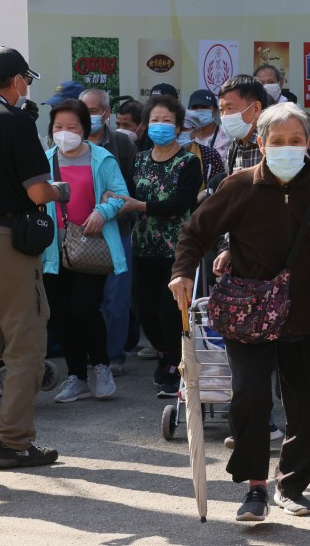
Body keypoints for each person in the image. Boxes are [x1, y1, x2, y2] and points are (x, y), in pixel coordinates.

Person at [170, 102, 310, 520]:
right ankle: (255, 488)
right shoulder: (238, 186)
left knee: (309, 409)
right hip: (248, 317)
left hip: (308, 316)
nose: (287, 147)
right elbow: (194, 234)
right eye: (278, 141)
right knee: (249, 398)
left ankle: (292, 485)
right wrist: (182, 273)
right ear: (261, 143)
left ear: (308, 143)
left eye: (296, 140)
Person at [0, 46, 65, 469]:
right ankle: (12, 441)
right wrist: (61, 191)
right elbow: (38, 192)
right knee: (24, 345)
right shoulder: (14, 121)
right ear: (17, 81)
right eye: (26, 81)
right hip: (7, 241)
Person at [42, 99, 128, 403]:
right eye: (58, 127)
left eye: (72, 127)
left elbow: (121, 195)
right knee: (61, 313)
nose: (64, 133)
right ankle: (76, 376)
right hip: (54, 249)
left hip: (91, 245)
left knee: (85, 307)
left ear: (85, 127)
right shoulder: (46, 159)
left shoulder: (102, 158)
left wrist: (103, 211)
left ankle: (101, 366)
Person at [118, 94, 202, 397]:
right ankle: (166, 354)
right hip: (143, 247)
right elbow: (126, 194)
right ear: (145, 125)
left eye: (167, 121)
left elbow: (181, 203)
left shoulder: (188, 161)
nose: (161, 126)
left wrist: (138, 205)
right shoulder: (139, 159)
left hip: (177, 251)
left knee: (171, 311)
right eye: (155, 120)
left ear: (178, 126)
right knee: (146, 312)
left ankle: (178, 365)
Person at [78, 88, 137, 374]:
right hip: (80, 233)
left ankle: (113, 356)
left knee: (116, 298)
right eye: (83, 110)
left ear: (106, 113)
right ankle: (90, 354)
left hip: (117, 230)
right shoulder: (67, 144)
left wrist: (112, 203)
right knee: (86, 299)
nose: (87, 116)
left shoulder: (123, 145)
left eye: (92, 110)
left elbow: (131, 188)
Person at [218, 75, 268, 175]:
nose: (224, 116)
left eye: (230, 108)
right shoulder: (233, 148)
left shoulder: (270, 143)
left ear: (256, 109)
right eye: (221, 110)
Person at [186, 88, 228, 160]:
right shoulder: (184, 136)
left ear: (215, 110)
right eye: (195, 107)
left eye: (204, 107)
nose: (199, 110)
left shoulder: (227, 135)